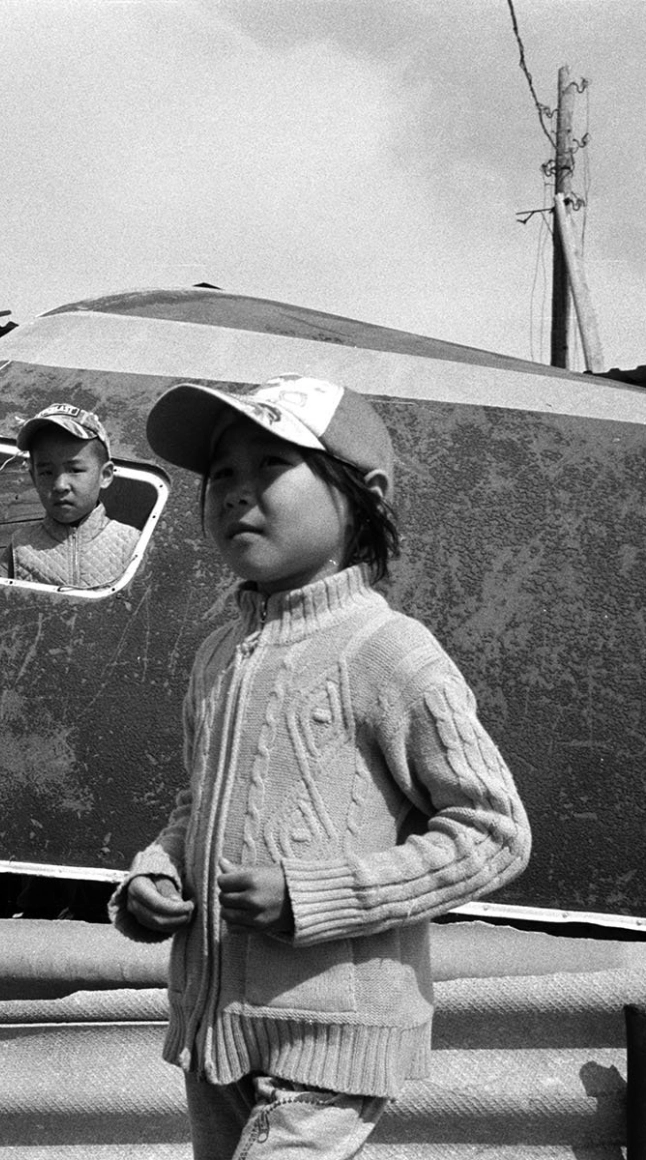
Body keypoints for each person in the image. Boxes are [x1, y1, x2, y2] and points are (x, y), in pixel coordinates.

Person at [112, 374, 530, 1160]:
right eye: (222, 475)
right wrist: (154, 878)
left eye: (270, 465)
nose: (237, 493)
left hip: (334, 1032)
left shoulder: (389, 653)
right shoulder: (217, 656)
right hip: (216, 1026)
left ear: (362, 496)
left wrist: (314, 896)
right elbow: (196, 803)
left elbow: (496, 834)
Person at [2, 402, 140, 587]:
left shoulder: (131, 544)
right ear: (33, 478)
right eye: (46, 473)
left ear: (105, 475)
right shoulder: (20, 547)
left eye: (74, 469)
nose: (60, 485)